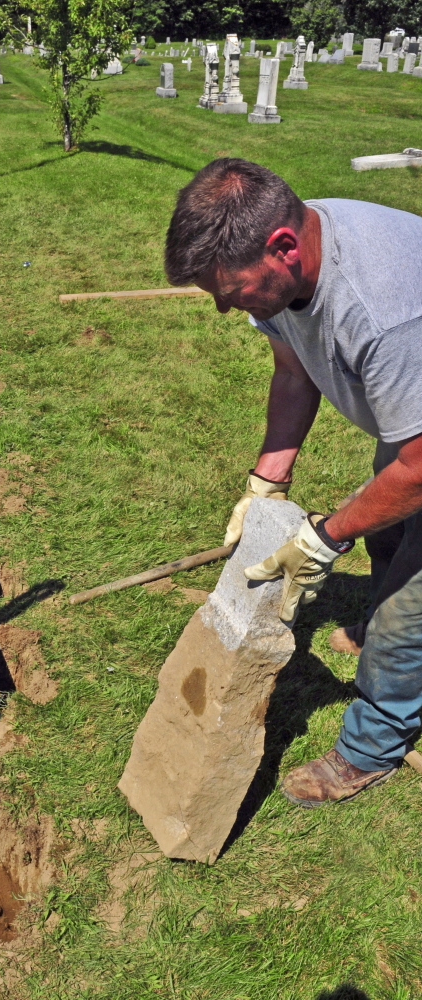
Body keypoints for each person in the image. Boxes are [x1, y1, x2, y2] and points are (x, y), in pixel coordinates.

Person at [164, 157, 422, 808]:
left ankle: (370, 747)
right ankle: (375, 627)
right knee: (386, 528)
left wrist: (322, 539)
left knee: (406, 615)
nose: (225, 308)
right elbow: (292, 368)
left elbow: (418, 470)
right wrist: (265, 481)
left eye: (230, 290)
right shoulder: (287, 257)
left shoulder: (382, 309)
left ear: (281, 248)